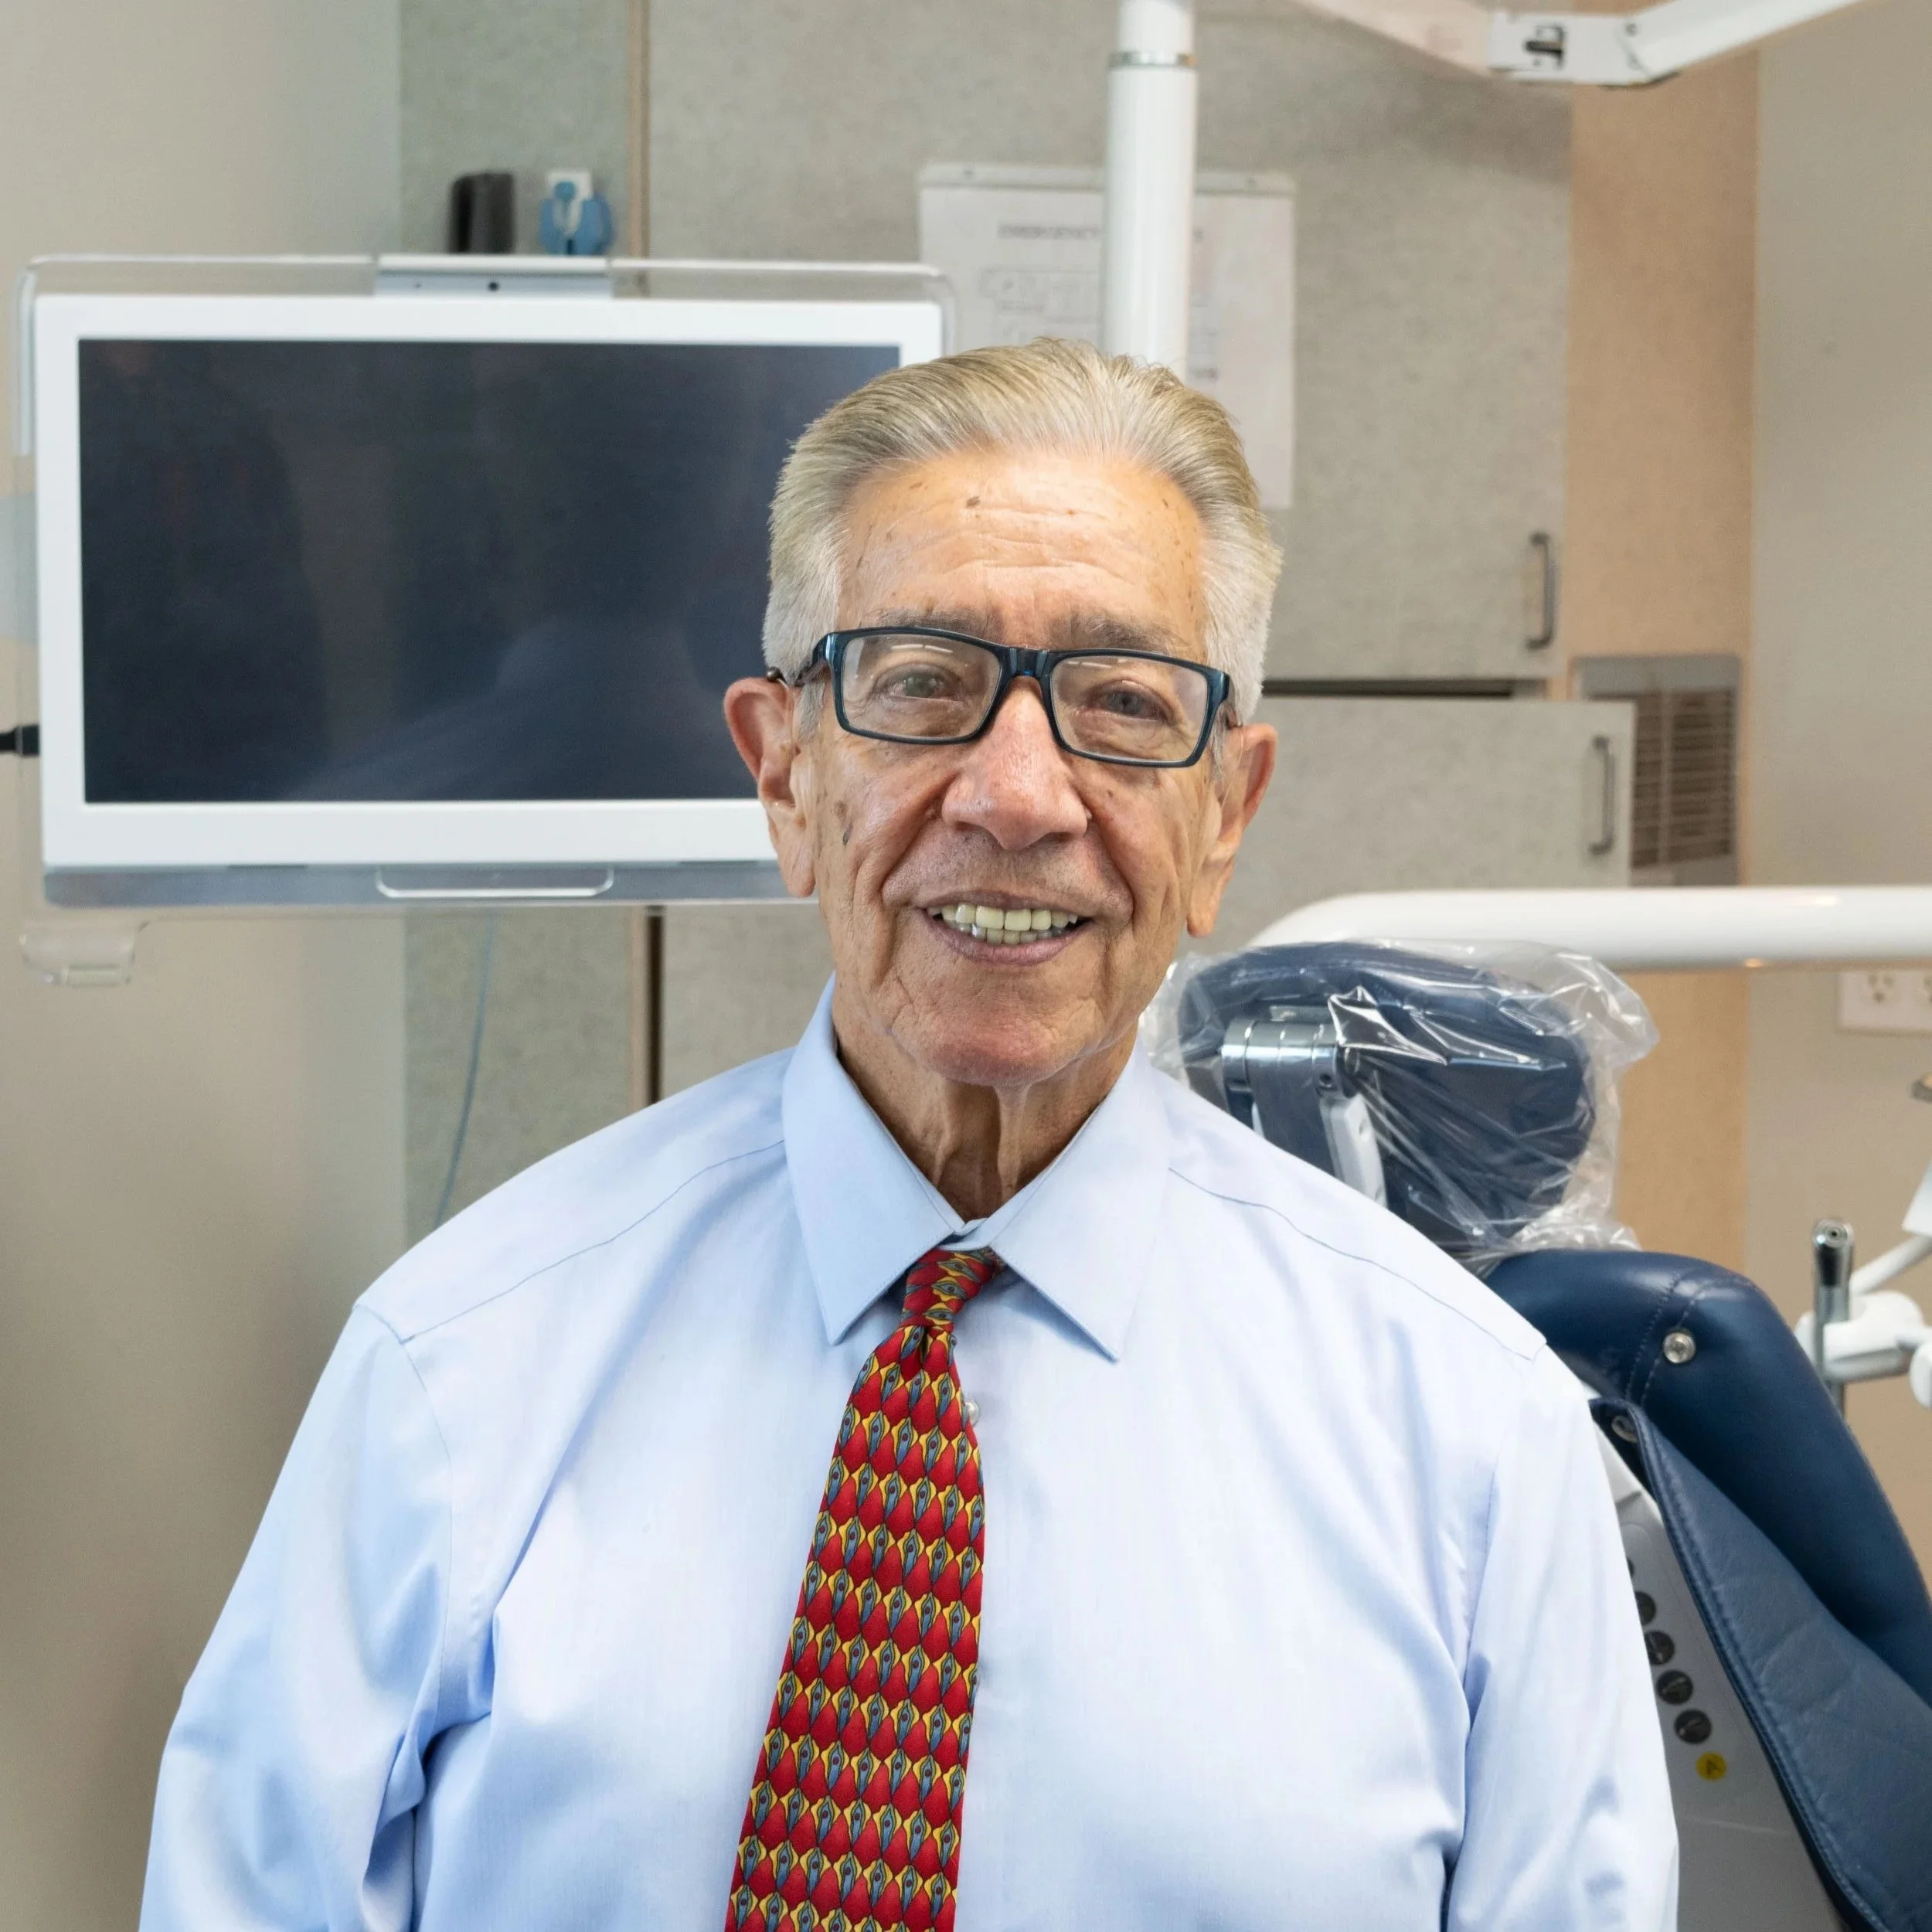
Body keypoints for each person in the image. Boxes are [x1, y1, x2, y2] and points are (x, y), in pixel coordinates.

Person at [139, 338, 1675, 1931]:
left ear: (1224, 813)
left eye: (1121, 703)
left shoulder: (1468, 1432)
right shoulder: (458, 1367)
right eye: (923, 682)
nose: (1017, 793)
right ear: (783, 771)